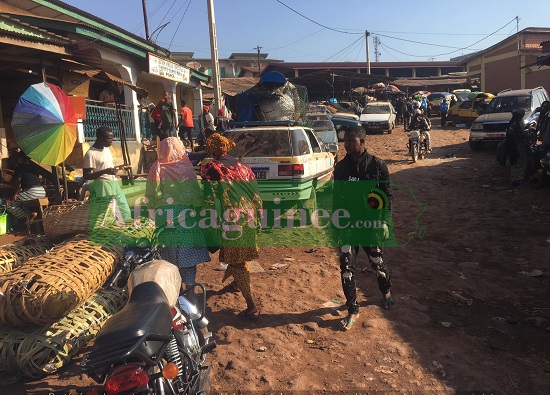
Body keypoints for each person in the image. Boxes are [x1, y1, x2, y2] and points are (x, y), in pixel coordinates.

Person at [332, 124, 396, 331]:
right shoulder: (341, 168)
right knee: (346, 268)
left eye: (351, 141)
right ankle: (353, 309)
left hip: (370, 224)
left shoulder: (378, 166)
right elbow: (336, 199)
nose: (347, 145)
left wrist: (385, 221)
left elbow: (387, 195)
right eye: (345, 141)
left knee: (377, 262)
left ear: (363, 141)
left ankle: (385, 292)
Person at [201, 133, 263, 318]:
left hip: (233, 220)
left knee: (237, 261)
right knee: (241, 255)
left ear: (212, 150)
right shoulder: (242, 165)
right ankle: (236, 285)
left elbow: (208, 199)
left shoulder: (213, 167)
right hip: (251, 216)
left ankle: (251, 305)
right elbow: (256, 191)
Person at [146, 137, 210, 292]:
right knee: (187, 258)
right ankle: (190, 298)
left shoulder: (158, 167)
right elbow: (196, 193)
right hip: (187, 216)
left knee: (168, 258)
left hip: (165, 216)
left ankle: (176, 297)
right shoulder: (187, 167)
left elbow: (152, 193)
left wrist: (153, 208)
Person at [83, 126, 132, 223]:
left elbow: (106, 167)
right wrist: (105, 171)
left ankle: (127, 226)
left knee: (124, 207)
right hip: (103, 185)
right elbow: (86, 175)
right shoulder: (90, 154)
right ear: (100, 137)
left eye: (112, 138)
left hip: (113, 182)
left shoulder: (106, 149)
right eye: (109, 139)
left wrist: (119, 167)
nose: (111, 141)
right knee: (108, 211)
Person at [5, 151, 49, 225]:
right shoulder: (34, 167)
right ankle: (31, 214)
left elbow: (16, 182)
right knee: (21, 200)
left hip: (32, 192)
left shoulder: (20, 167)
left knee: (8, 203)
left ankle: (27, 216)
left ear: (20, 159)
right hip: (41, 191)